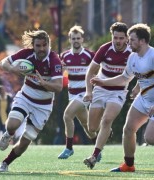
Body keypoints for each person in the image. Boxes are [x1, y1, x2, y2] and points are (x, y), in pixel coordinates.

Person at [91, 23, 154, 172]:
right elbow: (124, 78)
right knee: (128, 130)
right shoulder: (133, 57)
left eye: (131, 40)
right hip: (144, 98)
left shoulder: (152, 56)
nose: (128, 42)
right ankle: (128, 165)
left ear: (142, 41)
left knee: (150, 138)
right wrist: (102, 81)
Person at [0, 30, 63, 172]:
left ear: (48, 44)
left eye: (44, 45)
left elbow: (58, 87)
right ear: (33, 45)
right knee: (12, 125)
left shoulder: (54, 60)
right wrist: (11, 68)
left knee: (25, 142)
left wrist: (44, 83)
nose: (41, 49)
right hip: (26, 97)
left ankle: (5, 163)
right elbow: (3, 62)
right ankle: (8, 134)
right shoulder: (26, 54)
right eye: (38, 46)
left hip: (43, 106)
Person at [83, 22, 131, 169]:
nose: (118, 41)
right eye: (115, 37)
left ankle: (94, 156)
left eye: (121, 38)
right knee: (92, 128)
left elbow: (132, 76)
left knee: (107, 120)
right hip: (100, 89)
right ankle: (106, 132)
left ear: (126, 38)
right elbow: (91, 71)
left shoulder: (131, 53)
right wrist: (89, 91)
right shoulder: (105, 49)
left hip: (118, 91)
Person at [58, 25, 97, 159]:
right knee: (87, 126)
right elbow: (59, 74)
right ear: (70, 39)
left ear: (82, 39)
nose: (76, 40)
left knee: (67, 115)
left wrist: (93, 87)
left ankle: (69, 148)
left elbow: (98, 70)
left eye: (78, 38)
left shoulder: (89, 55)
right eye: (73, 38)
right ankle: (97, 150)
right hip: (72, 94)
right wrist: (61, 70)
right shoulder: (64, 56)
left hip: (84, 94)